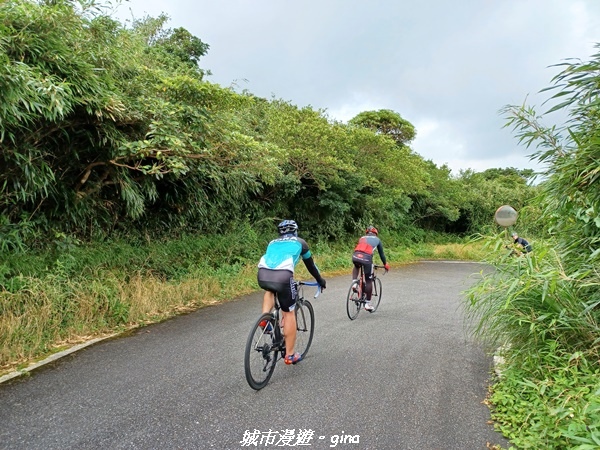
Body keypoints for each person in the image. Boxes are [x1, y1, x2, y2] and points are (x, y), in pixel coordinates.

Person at [257, 219, 326, 365]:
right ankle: (290, 355)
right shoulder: (300, 242)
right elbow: (311, 266)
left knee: (270, 290)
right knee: (288, 313)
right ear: (295, 231)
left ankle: (264, 318)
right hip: (283, 277)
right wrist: (320, 280)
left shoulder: (272, 242)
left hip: (263, 274)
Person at [351, 226, 390, 312]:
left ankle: (354, 283)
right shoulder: (377, 240)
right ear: (376, 233)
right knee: (369, 280)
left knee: (357, 265)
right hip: (366, 258)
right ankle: (367, 304)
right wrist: (385, 264)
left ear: (367, 232)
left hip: (355, 255)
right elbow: (381, 254)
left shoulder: (362, 238)